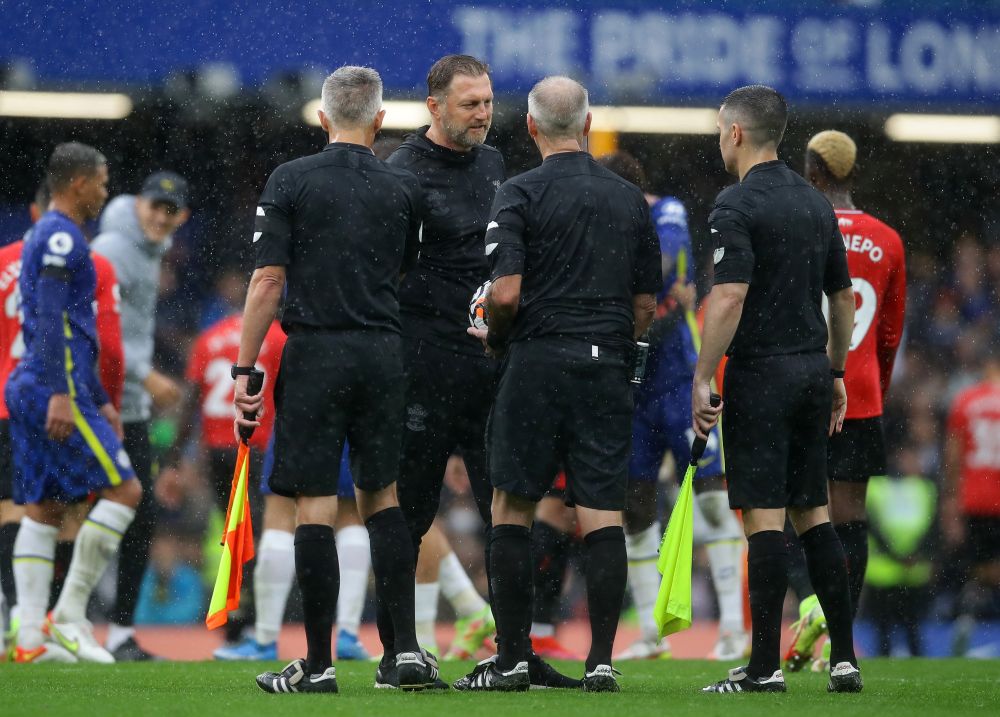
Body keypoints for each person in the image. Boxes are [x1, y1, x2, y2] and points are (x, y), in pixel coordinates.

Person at [234, 65, 434, 694]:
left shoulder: (289, 180)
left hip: (315, 352)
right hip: (381, 352)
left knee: (314, 502)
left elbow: (268, 281)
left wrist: (246, 368)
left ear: (322, 118)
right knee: (383, 497)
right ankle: (402, 654)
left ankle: (319, 666)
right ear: (380, 119)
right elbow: (405, 272)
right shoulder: (403, 189)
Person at [458, 76, 660, 693]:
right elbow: (646, 303)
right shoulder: (629, 199)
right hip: (605, 365)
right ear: (589, 123)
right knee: (601, 513)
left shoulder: (517, 192)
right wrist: (626, 356)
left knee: (511, 506)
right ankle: (601, 661)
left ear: (530, 128)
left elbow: (508, 292)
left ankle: (514, 658)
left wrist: (493, 336)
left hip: (538, 362)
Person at [527, 151, 747, 662]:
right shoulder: (608, 228)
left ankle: (734, 629)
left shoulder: (664, 210)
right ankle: (651, 634)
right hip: (631, 387)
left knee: (712, 498)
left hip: (679, 377)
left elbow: (664, 264)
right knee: (634, 507)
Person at [693, 85, 861, 694]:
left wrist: (703, 373)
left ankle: (763, 668)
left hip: (761, 373)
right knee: (813, 512)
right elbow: (841, 297)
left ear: (736, 133)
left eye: (719, 129)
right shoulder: (817, 204)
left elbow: (730, 296)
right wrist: (836, 372)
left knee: (763, 522)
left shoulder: (735, 206)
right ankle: (844, 657)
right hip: (812, 372)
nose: (718, 139)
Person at [383, 54, 502, 665]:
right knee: (409, 513)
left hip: (487, 369)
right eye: (469, 104)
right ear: (434, 107)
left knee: (505, 508)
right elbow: (387, 274)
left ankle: (514, 652)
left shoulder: (496, 165)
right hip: (421, 366)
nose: (483, 114)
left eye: (487, 102)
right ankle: (400, 651)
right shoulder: (401, 174)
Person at [7, 142, 141, 664]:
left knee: (44, 509)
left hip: (33, 385)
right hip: (52, 388)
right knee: (126, 491)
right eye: (103, 182)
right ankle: (69, 617)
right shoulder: (63, 236)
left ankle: (29, 644)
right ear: (79, 183)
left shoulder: (45, 234)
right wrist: (65, 395)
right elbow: (55, 322)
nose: (106, 193)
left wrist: (101, 399)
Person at [784, 130, 907, 672]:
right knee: (850, 515)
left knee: (797, 510)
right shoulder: (889, 240)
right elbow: (888, 336)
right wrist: (871, 385)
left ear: (813, 174)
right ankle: (840, 634)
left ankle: (810, 604)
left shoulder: (800, 227)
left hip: (803, 387)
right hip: (860, 396)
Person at [91, 170, 190, 661]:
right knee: (73, 511)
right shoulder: (112, 249)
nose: (160, 216)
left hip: (124, 405)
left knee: (136, 513)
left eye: (170, 211)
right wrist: (145, 376)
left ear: (183, 217)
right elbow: (93, 329)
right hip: (94, 402)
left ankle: (117, 631)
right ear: (138, 206)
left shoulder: (149, 252)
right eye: (154, 206)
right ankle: (46, 618)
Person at [159, 282, 285, 652]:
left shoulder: (209, 337)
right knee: (262, 532)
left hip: (218, 450)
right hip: (258, 445)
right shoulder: (278, 338)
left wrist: (173, 461)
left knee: (232, 532)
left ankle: (235, 615)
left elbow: (190, 403)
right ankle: (256, 619)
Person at [943, 340, 1000, 654]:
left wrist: (950, 500)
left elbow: (953, 457)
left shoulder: (965, 401)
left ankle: (967, 617)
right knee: (991, 567)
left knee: (977, 565)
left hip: (976, 498)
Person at [864, 444, 936, 657]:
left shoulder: (924, 487)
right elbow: (872, 524)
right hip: (889, 571)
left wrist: (909, 554)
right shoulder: (879, 485)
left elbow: (933, 525)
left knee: (911, 629)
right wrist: (903, 555)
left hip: (909, 571)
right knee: (886, 631)